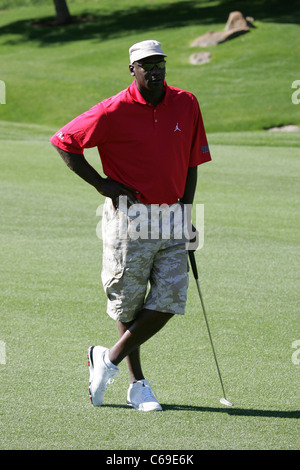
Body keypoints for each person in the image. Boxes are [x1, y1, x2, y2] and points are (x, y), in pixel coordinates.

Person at [50, 40, 211, 411]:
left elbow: (191, 162)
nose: (155, 70)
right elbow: (64, 140)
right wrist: (100, 183)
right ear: (132, 70)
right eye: (146, 65)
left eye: (160, 64)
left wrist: (187, 214)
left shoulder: (186, 103)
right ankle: (138, 386)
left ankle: (105, 360)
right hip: (130, 216)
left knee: (170, 299)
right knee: (129, 304)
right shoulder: (112, 110)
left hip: (172, 213)